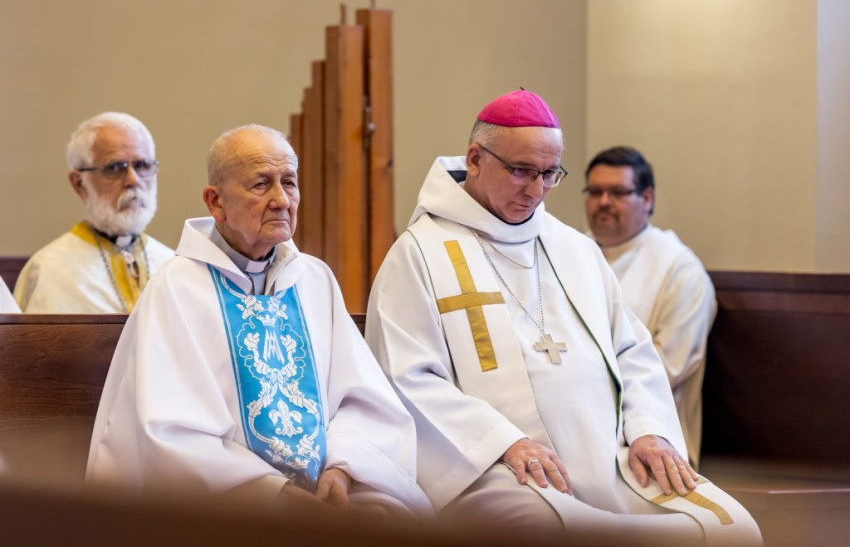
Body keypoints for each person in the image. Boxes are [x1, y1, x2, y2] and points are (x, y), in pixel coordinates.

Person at [366, 90, 760, 543]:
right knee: (552, 533)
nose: (536, 190)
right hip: (499, 468)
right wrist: (502, 441)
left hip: (614, 460)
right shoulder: (420, 253)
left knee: (732, 528)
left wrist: (649, 430)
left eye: (550, 174)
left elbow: (632, 351)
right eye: (521, 171)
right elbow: (407, 378)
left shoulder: (575, 248)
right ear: (475, 159)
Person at [87, 124, 431, 516]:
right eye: (261, 184)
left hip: (331, 496)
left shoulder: (314, 280)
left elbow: (365, 402)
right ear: (216, 202)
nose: (281, 200)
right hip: (230, 508)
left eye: (290, 182)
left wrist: (342, 469)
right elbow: (169, 432)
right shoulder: (177, 289)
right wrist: (274, 495)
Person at [584, 146, 716, 467]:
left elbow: (665, 370)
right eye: (595, 192)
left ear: (647, 198)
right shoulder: (571, 252)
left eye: (617, 192)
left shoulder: (680, 272)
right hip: (578, 423)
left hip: (652, 439)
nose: (603, 202)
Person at [14, 112, 173, 313]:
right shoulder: (48, 270)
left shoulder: (171, 264)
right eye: (115, 167)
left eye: (142, 165)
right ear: (79, 184)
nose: (133, 180)